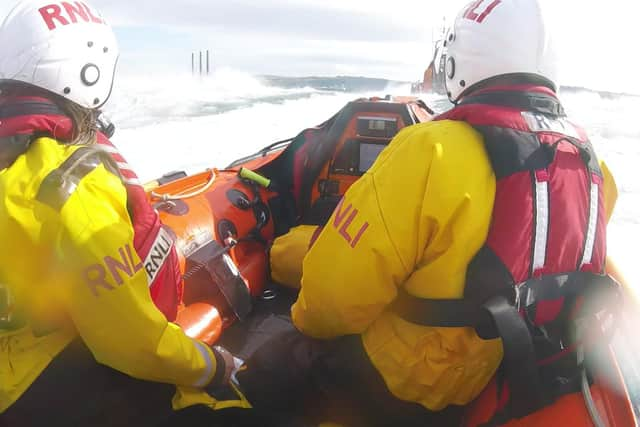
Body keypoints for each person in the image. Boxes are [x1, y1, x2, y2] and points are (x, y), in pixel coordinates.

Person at [236, 0, 619, 425]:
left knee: (276, 362)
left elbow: (329, 303)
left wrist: (303, 317)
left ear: (462, 57)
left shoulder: (428, 150)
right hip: (497, 369)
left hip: (404, 380)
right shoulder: (591, 166)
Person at [0, 1, 242, 425]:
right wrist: (216, 365)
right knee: (229, 407)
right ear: (89, 75)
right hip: (27, 386)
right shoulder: (70, 188)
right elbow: (131, 342)